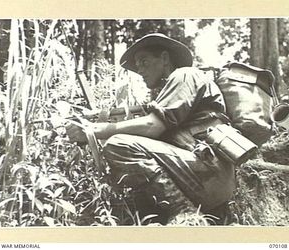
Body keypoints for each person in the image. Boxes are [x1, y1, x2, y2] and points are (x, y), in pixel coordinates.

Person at [66, 33, 235, 224]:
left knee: (119, 144)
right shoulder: (169, 92)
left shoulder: (185, 74)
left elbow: (152, 126)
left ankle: (185, 213)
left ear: (164, 58)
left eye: (144, 62)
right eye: (138, 67)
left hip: (209, 173)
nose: (140, 70)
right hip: (202, 174)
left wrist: (94, 130)